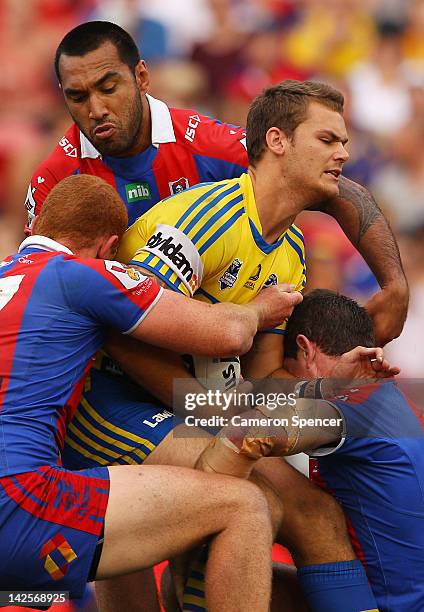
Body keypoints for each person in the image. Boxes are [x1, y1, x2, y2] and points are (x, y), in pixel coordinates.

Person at [72, 80, 380, 612]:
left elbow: (258, 384)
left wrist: (325, 383)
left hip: (194, 411)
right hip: (110, 404)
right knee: (251, 502)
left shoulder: (292, 250)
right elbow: (122, 333)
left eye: (344, 141)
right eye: (328, 138)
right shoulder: (200, 222)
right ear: (278, 141)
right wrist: (212, 408)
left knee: (314, 511)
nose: (344, 154)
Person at [0, 173, 302, 610]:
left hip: (25, 507)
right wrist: (261, 308)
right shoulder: (82, 274)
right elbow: (228, 335)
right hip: (22, 500)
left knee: (121, 527)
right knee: (245, 506)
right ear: (109, 247)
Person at [25, 20, 408, 347]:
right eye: (78, 96)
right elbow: (35, 292)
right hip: (116, 352)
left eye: (108, 88)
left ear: (141, 76)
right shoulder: (54, 180)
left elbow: (328, 185)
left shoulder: (206, 144)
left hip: (218, 348)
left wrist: (394, 286)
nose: (95, 109)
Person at [198, 289, 424, 612]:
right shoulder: (393, 401)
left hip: (394, 605)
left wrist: (198, 513)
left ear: (305, 350)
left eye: (284, 373)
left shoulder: (351, 406)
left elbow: (254, 433)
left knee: (211, 574)